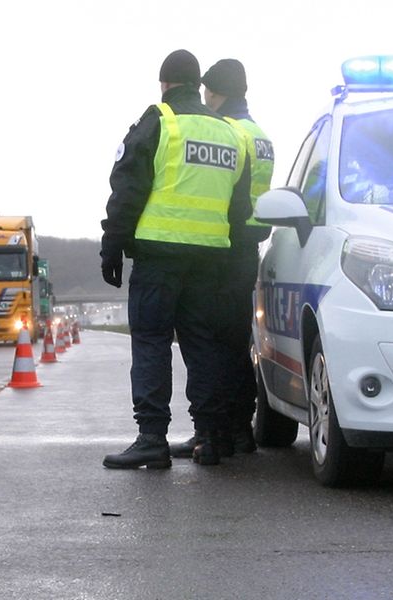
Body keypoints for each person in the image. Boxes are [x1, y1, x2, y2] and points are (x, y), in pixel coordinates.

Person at [100, 50, 254, 469]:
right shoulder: (229, 133)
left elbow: (128, 189)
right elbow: (240, 207)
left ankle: (152, 437)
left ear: (166, 84)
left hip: (159, 255)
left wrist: (112, 246)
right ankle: (209, 437)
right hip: (212, 261)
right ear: (197, 84)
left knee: (151, 341)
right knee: (202, 344)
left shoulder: (160, 121)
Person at [168, 59, 275, 459]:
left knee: (207, 346)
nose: (205, 101)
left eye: (207, 93)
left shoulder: (229, 133)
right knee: (235, 344)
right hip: (248, 250)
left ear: (217, 93)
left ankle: (211, 433)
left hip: (221, 249)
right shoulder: (260, 135)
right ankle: (238, 430)